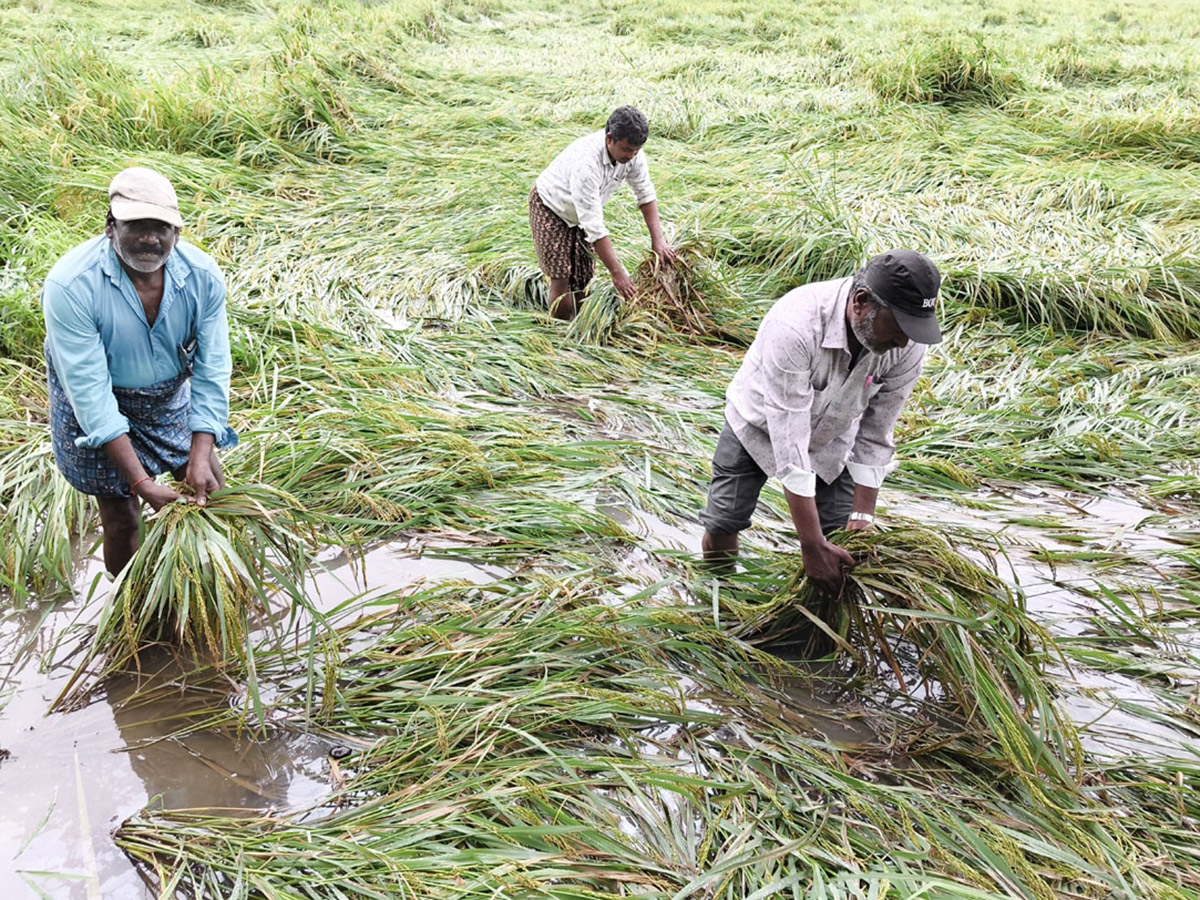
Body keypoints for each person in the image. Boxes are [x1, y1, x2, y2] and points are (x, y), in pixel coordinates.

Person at [699, 249, 943, 593]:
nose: (904, 341)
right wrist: (810, 546)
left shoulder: (906, 345)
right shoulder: (796, 324)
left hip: (834, 437)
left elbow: (877, 431)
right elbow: (790, 441)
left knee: (842, 542)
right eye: (900, 327)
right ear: (861, 302)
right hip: (758, 425)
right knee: (725, 521)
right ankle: (719, 596)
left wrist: (864, 516)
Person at [42, 166, 238, 576]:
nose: (150, 238)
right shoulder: (71, 284)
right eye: (136, 226)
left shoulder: (201, 278)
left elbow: (213, 367)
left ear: (177, 233)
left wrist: (201, 452)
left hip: (166, 396)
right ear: (111, 226)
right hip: (96, 403)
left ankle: (206, 585)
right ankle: (129, 611)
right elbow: (91, 394)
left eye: (161, 227)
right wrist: (142, 483)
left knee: (208, 488)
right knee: (122, 519)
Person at [529, 105, 675, 320]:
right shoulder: (586, 164)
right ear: (609, 139)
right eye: (626, 149)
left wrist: (658, 240)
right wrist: (617, 273)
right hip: (551, 206)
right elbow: (594, 226)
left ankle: (579, 325)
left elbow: (645, 194)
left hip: (580, 214)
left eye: (636, 150)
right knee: (561, 277)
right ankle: (558, 333)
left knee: (583, 277)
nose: (631, 155)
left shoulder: (634, 156)